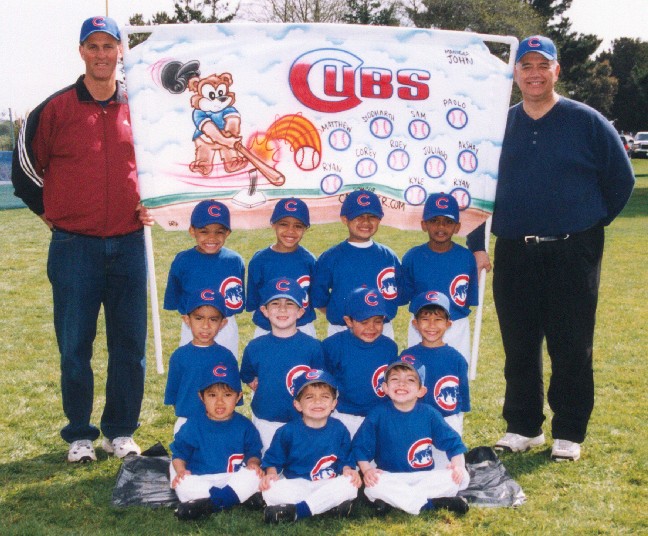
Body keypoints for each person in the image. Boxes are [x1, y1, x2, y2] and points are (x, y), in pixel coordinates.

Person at [467, 35, 635, 462]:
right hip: (515, 250)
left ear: (557, 70)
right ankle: (523, 426)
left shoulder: (587, 121)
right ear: (515, 73)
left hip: (572, 251)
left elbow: (622, 181)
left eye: (543, 65)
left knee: (571, 342)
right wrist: (476, 243)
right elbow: (475, 187)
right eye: (526, 66)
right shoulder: (497, 125)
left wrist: (587, 225)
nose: (534, 73)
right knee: (519, 343)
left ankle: (569, 431)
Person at [11, 16, 151, 463]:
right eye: (93, 46)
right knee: (75, 344)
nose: (102, 55)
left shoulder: (142, 107)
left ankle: (121, 432)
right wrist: (51, 215)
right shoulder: (53, 109)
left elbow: (158, 166)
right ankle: (79, 434)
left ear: (120, 52)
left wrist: (155, 201)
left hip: (130, 243)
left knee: (129, 344)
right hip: (75, 247)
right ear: (81, 52)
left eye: (109, 46)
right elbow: (24, 171)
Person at [352, 361, 470, 516]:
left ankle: (396, 501)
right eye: (395, 379)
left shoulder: (429, 413)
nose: (402, 384)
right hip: (391, 477)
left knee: (459, 478)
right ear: (385, 388)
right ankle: (432, 503)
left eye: (410, 380)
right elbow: (360, 446)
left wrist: (458, 466)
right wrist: (367, 470)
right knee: (373, 486)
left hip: (424, 477)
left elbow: (454, 443)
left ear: (421, 391)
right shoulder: (378, 414)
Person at [260, 369, 361, 523]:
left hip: (326, 483)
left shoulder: (339, 429)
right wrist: (271, 473)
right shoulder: (287, 431)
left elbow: (345, 460)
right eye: (309, 397)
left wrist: (348, 470)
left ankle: (298, 511)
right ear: (298, 404)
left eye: (325, 397)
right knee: (270, 489)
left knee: (349, 484)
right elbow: (273, 460)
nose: (317, 402)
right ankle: (327, 506)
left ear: (334, 403)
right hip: (297, 484)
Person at [240, 277, 325, 453]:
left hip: (302, 421)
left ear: (301, 312)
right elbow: (247, 374)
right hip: (266, 420)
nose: (282, 309)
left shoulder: (312, 346)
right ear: (264, 310)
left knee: (298, 468)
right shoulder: (255, 346)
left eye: (289, 304)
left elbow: (319, 382)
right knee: (268, 471)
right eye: (275, 303)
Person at [170, 364, 263, 521]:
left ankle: (208, 505)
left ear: (238, 397)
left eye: (227, 395)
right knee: (182, 482)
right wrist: (180, 470)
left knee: (255, 474)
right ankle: (235, 498)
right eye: (212, 395)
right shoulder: (193, 425)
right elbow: (179, 453)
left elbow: (253, 452)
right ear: (202, 397)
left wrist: (253, 463)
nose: (219, 402)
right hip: (202, 479)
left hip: (232, 478)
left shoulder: (244, 425)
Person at [311, 189, 402, 339]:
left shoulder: (388, 256)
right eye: (358, 216)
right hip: (342, 329)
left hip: (380, 329)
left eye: (372, 216)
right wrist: (337, 312)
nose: (365, 222)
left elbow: (399, 294)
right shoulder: (331, 257)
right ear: (345, 219)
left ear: (380, 219)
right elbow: (318, 296)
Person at [401, 193, 478, 361]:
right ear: (424, 224)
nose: (441, 226)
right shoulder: (413, 257)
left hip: (455, 325)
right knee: (418, 376)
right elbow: (405, 296)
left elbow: (468, 299)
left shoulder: (466, 257)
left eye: (448, 222)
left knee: (452, 377)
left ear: (457, 227)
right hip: (421, 326)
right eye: (434, 220)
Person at [164, 199, 245, 357]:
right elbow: (175, 298)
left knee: (224, 373)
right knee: (193, 372)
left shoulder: (234, 261)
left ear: (227, 232)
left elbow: (236, 302)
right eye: (204, 231)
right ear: (192, 231)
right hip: (192, 326)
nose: (212, 237)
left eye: (219, 231)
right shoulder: (183, 260)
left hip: (224, 325)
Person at [398, 291, 470, 467]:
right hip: (415, 420)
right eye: (425, 319)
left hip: (447, 420)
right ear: (415, 323)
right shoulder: (407, 356)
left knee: (449, 471)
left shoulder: (456, 358)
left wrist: (456, 421)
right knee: (416, 465)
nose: (431, 325)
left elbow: (462, 397)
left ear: (448, 324)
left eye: (438, 319)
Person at [322, 287, 398, 438]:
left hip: (379, 416)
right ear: (348, 321)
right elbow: (324, 382)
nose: (371, 328)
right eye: (364, 322)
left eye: (378, 321)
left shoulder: (389, 347)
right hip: (344, 415)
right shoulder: (333, 345)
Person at [164, 290, 238, 435]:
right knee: (184, 457)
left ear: (222, 323)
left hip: (219, 423)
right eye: (199, 318)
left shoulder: (226, 357)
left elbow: (233, 396)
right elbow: (173, 395)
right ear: (187, 320)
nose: (205, 326)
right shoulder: (179, 356)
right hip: (187, 421)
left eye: (213, 319)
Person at [246, 197, 317, 338]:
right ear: (274, 225)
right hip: (267, 329)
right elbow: (254, 301)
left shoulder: (309, 260)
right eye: (284, 224)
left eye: (298, 226)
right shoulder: (260, 260)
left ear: (305, 229)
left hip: (302, 328)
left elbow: (314, 299)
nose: (290, 231)